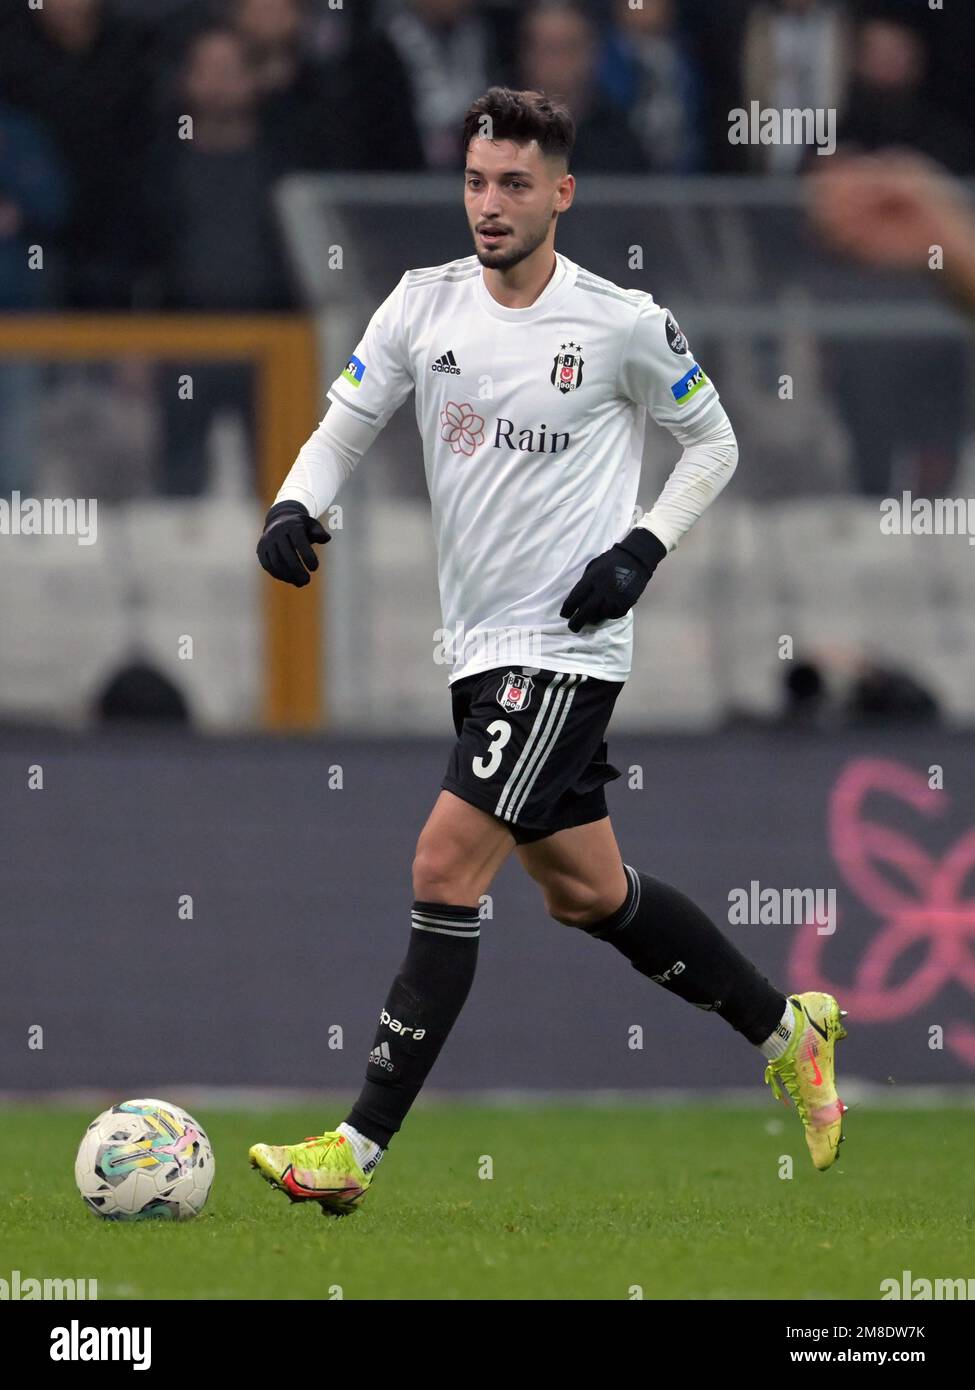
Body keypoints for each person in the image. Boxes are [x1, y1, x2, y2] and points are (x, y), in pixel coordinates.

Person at [251, 87, 848, 1214]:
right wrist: (294, 506)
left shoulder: (618, 321)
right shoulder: (421, 307)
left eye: (515, 184)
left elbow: (710, 444)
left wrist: (639, 550)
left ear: (561, 194)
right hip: (479, 653)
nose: (490, 203)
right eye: (477, 181)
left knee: (442, 866)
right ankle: (788, 1026)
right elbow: (345, 423)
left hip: (565, 652)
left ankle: (354, 1151)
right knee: (586, 891)